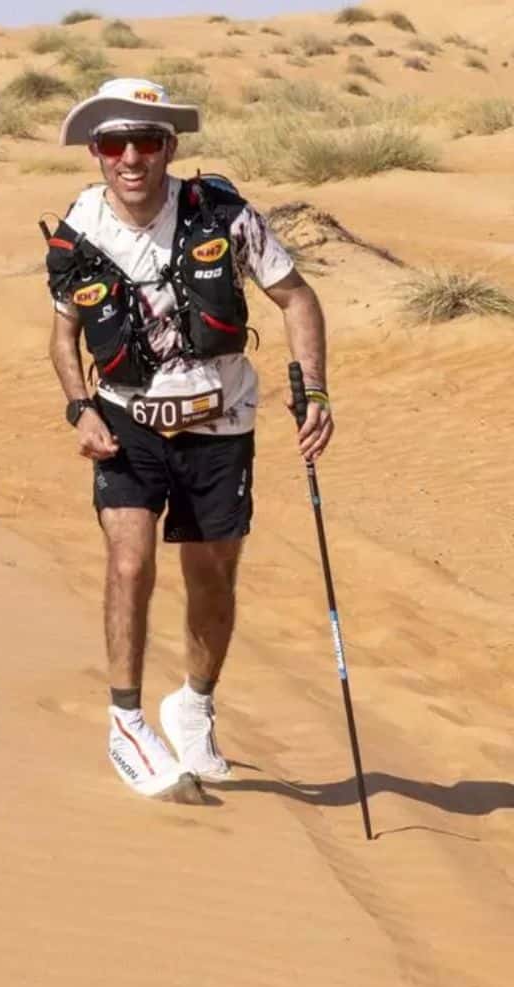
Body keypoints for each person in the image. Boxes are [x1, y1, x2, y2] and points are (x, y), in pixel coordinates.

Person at [42, 78, 334, 799]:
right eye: (115, 144)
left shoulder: (224, 217)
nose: (131, 157)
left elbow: (296, 296)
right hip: (127, 425)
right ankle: (127, 719)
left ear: (170, 147)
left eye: (147, 142)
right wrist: (79, 407)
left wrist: (314, 388)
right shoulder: (79, 235)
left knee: (212, 577)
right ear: (96, 152)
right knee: (129, 563)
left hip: (220, 426)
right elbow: (63, 335)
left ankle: (194, 703)